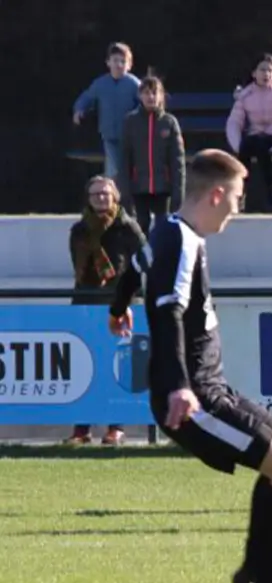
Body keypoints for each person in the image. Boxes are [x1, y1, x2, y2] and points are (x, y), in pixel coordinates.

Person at [108, 150, 272, 583]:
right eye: (238, 199)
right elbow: (168, 314)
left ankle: (258, 567)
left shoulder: (167, 231)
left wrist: (118, 307)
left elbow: (135, 268)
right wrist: (181, 386)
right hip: (194, 398)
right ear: (216, 194)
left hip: (212, 389)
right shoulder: (182, 241)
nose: (238, 210)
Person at [65, 176, 147, 446]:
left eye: (106, 194)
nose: (101, 198)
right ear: (88, 198)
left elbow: (144, 262)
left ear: (116, 197)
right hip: (85, 303)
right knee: (83, 366)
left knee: (117, 367)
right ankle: (81, 429)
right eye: (95, 194)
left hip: (119, 305)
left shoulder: (127, 227)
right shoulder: (79, 230)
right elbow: (76, 265)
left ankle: (116, 427)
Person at [226, 53, 272, 213]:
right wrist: (236, 145)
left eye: (270, 70)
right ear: (254, 73)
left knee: (261, 147)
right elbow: (234, 122)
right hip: (255, 136)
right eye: (262, 70)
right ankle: (240, 195)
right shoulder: (245, 95)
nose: (266, 74)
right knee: (247, 145)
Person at [120, 75, 185, 234]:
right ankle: (140, 258)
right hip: (139, 186)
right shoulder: (130, 122)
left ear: (162, 96)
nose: (151, 97)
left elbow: (177, 160)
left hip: (163, 186)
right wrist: (125, 190)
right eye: (147, 93)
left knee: (163, 227)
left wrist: (178, 191)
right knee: (140, 226)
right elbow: (125, 159)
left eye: (155, 93)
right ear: (139, 95)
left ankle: (160, 258)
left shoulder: (169, 122)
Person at [72, 42, 140, 180]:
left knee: (122, 165)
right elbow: (87, 97)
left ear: (129, 65)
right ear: (108, 62)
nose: (119, 65)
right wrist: (79, 109)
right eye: (115, 60)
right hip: (108, 134)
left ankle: (119, 190)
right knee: (113, 165)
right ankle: (113, 190)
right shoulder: (101, 83)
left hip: (129, 135)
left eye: (123, 61)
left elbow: (143, 104)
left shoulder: (134, 84)